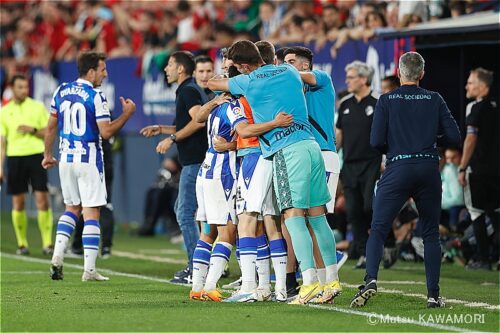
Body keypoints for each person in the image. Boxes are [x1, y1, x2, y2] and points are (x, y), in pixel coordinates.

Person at [208, 40, 339, 305]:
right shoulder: (289, 71)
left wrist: (229, 73)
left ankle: (310, 284)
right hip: (311, 145)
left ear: (244, 66)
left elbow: (212, 83)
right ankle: (332, 280)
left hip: (286, 149)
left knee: (292, 216)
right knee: (317, 216)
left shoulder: (248, 81)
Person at [350, 52, 460, 308]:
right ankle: (433, 295)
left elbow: (376, 141)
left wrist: (396, 147)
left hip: (398, 167)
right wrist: (430, 141)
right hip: (428, 167)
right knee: (431, 232)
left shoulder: (387, 100)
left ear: (399, 73)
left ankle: (370, 280)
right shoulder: (435, 98)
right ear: (422, 74)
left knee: (378, 228)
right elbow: (454, 136)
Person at [43, 51, 136, 281]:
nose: (105, 74)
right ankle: (90, 270)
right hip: (89, 161)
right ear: (91, 71)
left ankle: (57, 257)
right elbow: (106, 132)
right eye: (103, 70)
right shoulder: (96, 95)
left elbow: (51, 125)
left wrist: (47, 154)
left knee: (71, 208)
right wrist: (126, 115)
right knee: (91, 211)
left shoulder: (61, 90)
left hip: (66, 159)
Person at [283, 46, 347, 301]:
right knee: (308, 220)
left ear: (304, 65)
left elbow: (302, 78)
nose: (285, 67)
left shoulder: (321, 78)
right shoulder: (294, 91)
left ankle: (329, 279)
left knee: (317, 218)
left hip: (324, 154)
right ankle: (325, 283)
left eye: (290, 62)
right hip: (305, 155)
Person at [140, 51, 208, 284]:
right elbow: (187, 122)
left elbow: (198, 119)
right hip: (195, 161)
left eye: (169, 65)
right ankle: (199, 266)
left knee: (185, 214)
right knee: (185, 211)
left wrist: (173, 138)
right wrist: (162, 129)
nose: (166, 69)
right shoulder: (187, 89)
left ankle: (196, 269)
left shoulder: (188, 90)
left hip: (195, 161)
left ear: (181, 69)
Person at [0, 74, 54, 256]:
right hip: (15, 158)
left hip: (35, 156)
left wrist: (32, 130)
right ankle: (22, 244)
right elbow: (2, 143)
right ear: (12, 88)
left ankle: (47, 243)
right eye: (20, 87)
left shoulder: (37, 107)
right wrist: (0, 167)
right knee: (18, 202)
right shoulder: (5, 111)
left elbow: (49, 130)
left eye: (26, 87)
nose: (24, 90)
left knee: (42, 200)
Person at [336, 60, 381, 269]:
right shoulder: (345, 104)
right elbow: (339, 136)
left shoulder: (378, 103)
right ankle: (365, 253)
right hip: (350, 165)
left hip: (372, 164)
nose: (347, 81)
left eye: (351, 77)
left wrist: (385, 160)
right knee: (353, 211)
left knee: (370, 207)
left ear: (363, 79)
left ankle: (383, 243)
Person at [458, 67, 499, 270]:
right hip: (497, 170)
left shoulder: (475, 108)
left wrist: (462, 167)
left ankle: (483, 259)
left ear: (482, 87)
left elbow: (471, 138)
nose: (467, 86)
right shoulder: (497, 106)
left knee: (476, 212)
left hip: (479, 169)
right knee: (496, 212)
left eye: (471, 82)